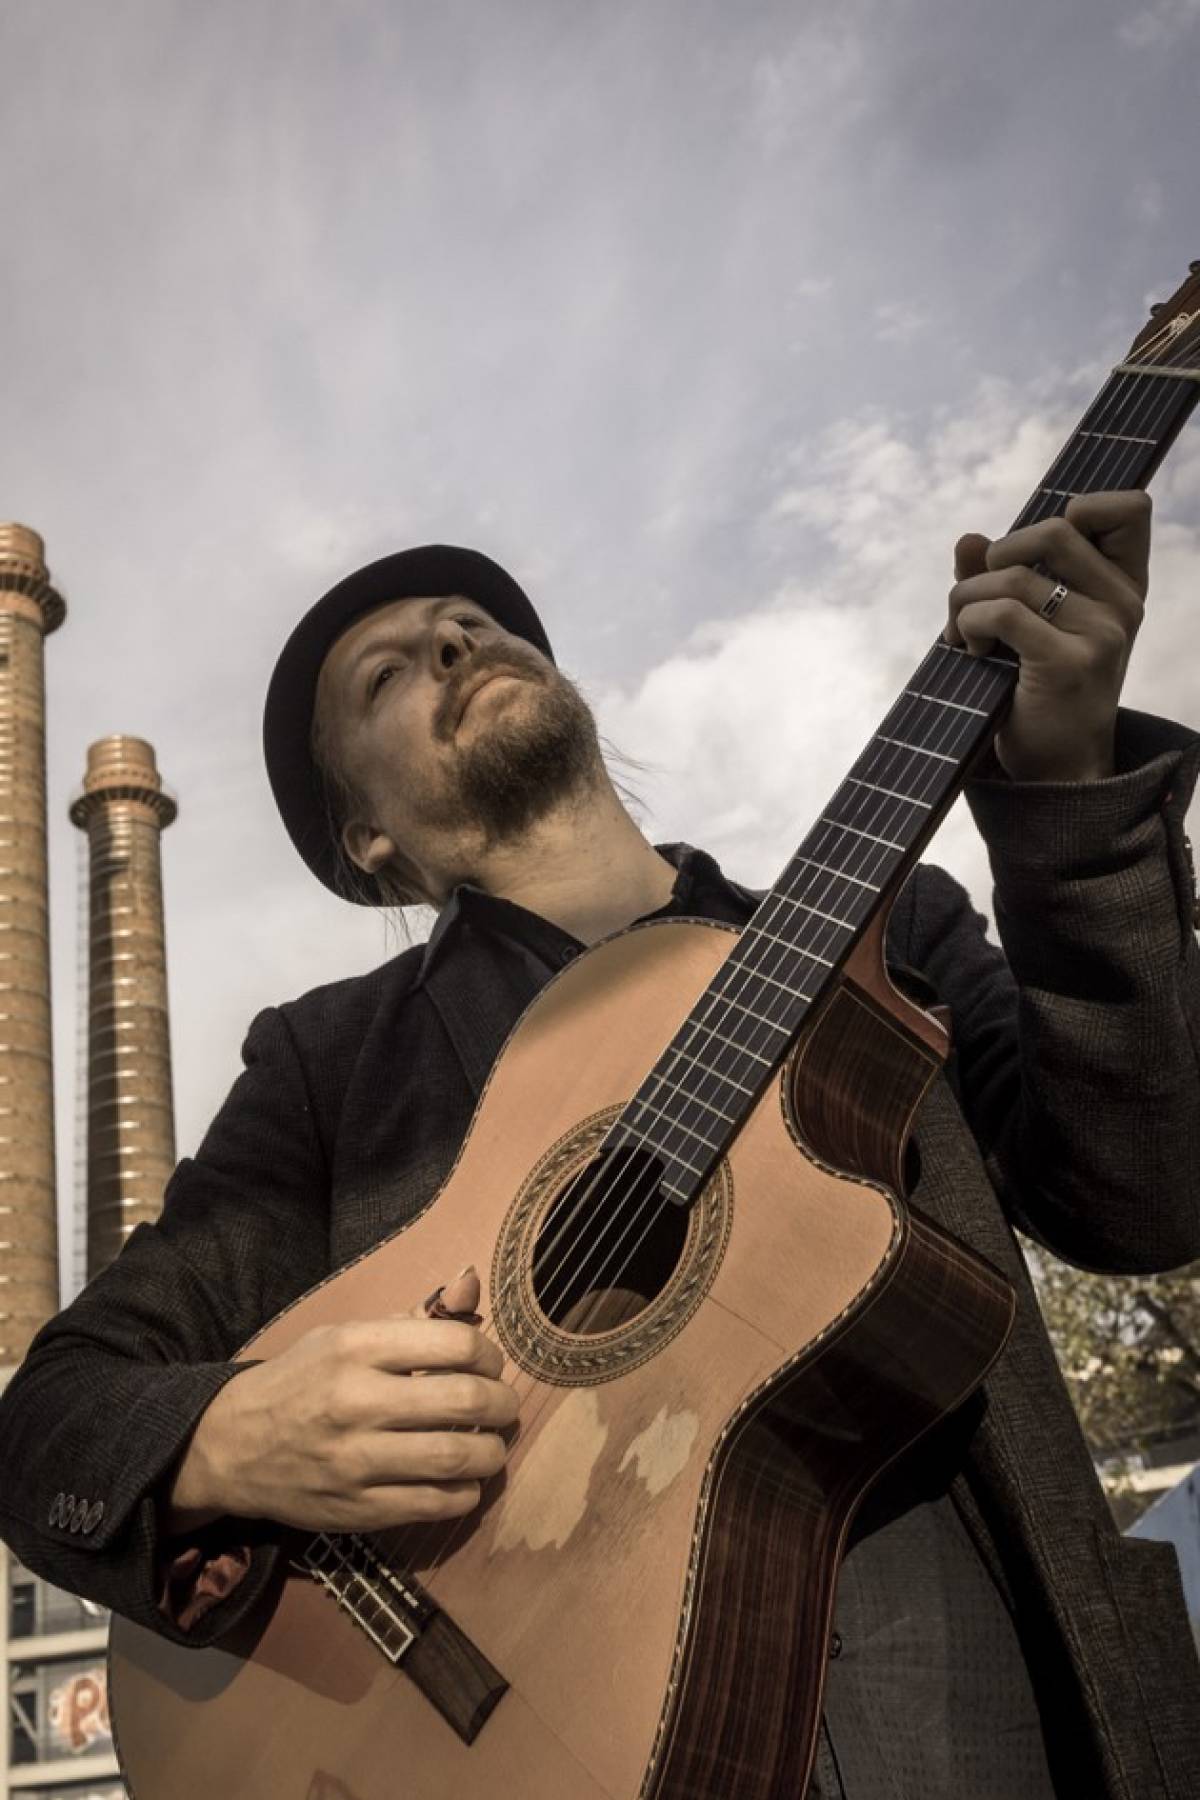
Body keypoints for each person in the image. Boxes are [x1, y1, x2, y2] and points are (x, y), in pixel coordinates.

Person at [1, 497, 1198, 1799]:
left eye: (473, 622)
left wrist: (1072, 807)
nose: (451, 643)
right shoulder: (330, 1069)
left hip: (985, 1723)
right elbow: (50, 1419)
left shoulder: (890, 930)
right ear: (368, 839)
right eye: (387, 675)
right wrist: (236, 1433)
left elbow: (1144, 1198)